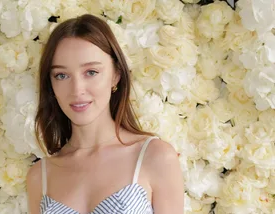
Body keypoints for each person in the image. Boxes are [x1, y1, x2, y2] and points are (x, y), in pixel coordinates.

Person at [26, 14, 184, 214]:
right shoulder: (39, 177)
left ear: (116, 75)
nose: (76, 89)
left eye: (91, 72)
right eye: (62, 75)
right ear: (51, 84)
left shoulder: (155, 157)